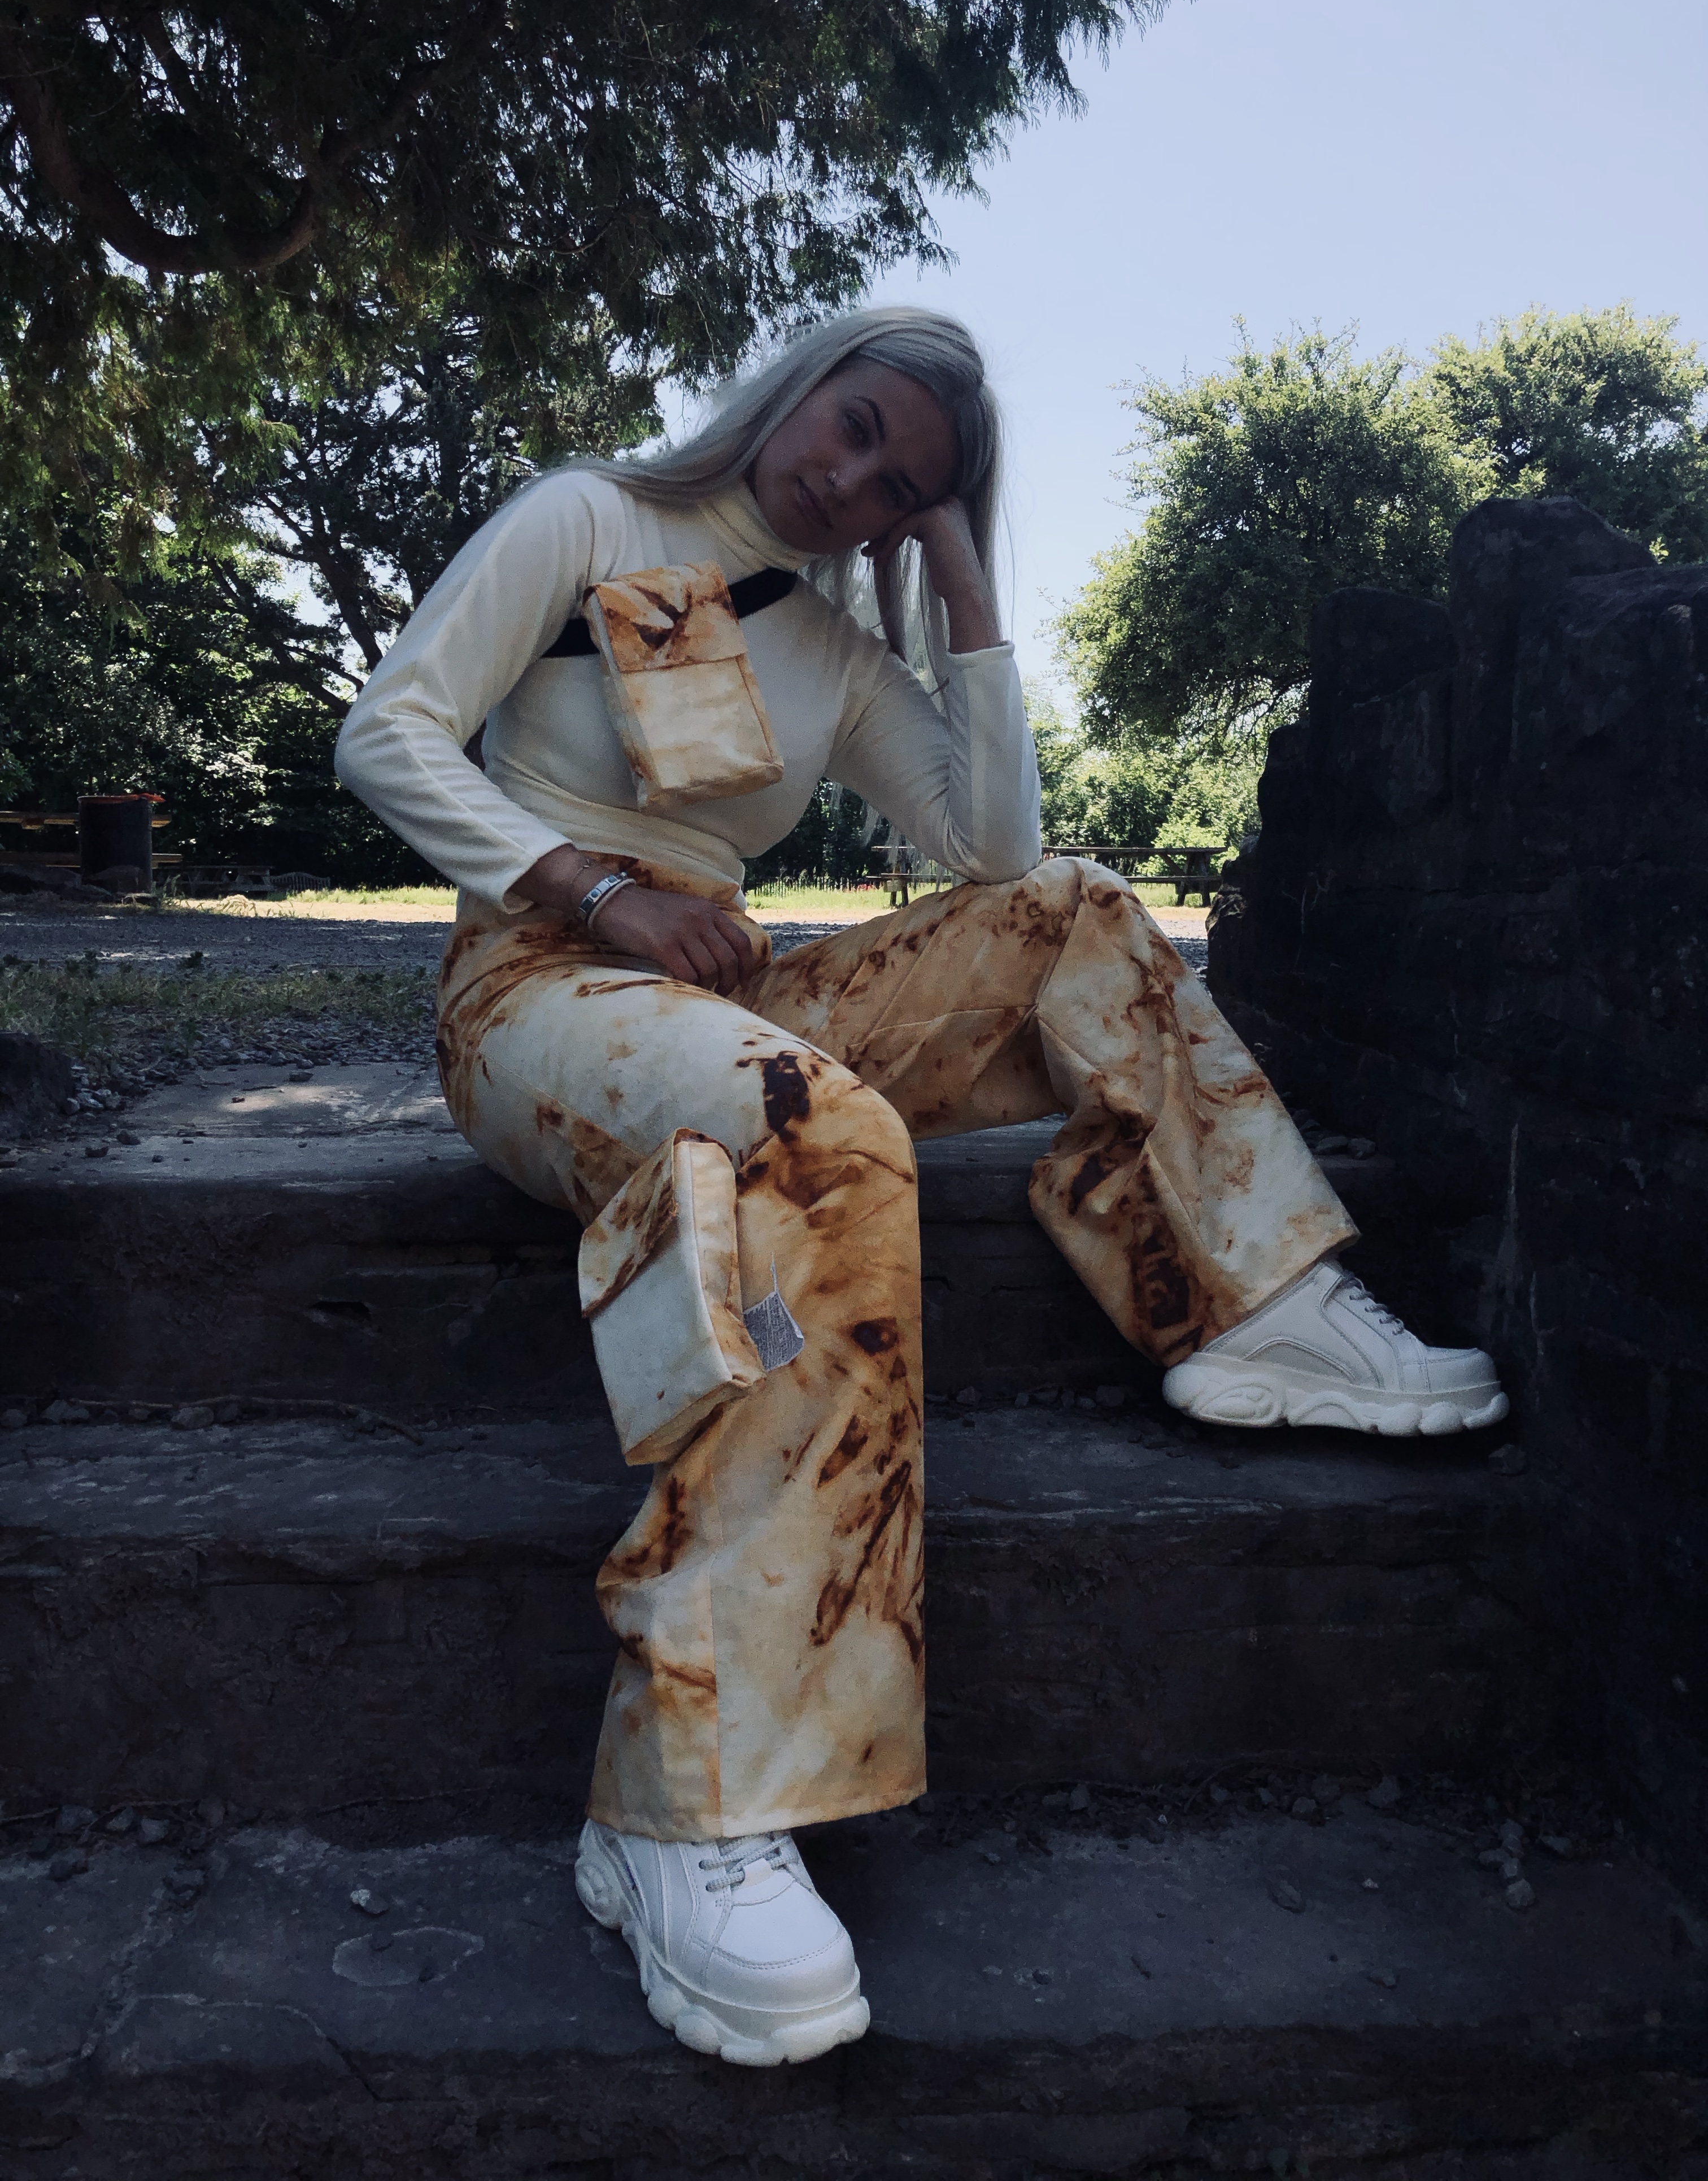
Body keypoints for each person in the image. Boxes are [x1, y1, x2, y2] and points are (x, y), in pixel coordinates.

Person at [335, 306, 1507, 2070]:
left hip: (726, 999)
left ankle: (1246, 1303)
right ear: (804, 383)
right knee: (820, 1132)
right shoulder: (587, 520)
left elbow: (997, 852)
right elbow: (389, 735)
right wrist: (599, 892)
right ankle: (688, 1801)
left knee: (1080, 913)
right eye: (861, 426)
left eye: (904, 486)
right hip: (537, 996)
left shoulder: (837, 642)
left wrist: (961, 589)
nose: (854, 481)